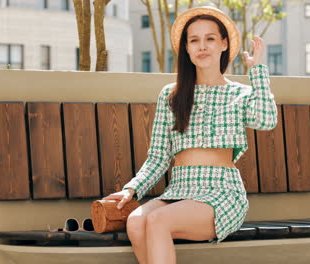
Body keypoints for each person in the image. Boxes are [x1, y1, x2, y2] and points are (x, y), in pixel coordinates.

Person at [102, 6, 278, 264]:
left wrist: (257, 72)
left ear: (224, 44)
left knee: (158, 221)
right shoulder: (171, 95)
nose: (202, 46)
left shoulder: (239, 94)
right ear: (186, 48)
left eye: (210, 39)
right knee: (137, 221)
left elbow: (266, 120)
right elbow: (158, 158)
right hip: (179, 190)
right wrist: (131, 190)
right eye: (194, 40)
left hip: (221, 192)